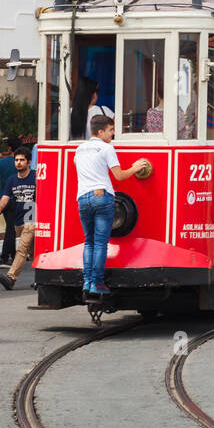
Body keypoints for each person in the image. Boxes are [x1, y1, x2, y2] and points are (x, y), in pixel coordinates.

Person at [74, 114, 150, 295]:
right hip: (101, 196)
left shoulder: (80, 149)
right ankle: (97, 283)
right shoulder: (106, 148)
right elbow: (120, 176)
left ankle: (87, 281)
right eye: (110, 130)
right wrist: (136, 167)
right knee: (100, 243)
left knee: (89, 242)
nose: (113, 133)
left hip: (83, 198)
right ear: (100, 131)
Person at [0, 148, 36, 290]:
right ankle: (43, 279)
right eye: (16, 160)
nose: (18, 163)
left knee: (21, 249)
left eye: (22, 160)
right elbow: (5, 198)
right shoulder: (12, 180)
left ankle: (11, 277)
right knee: (33, 252)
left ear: (28, 162)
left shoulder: (35, 177)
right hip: (18, 221)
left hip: (32, 219)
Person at [0, 137, 20, 266]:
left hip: (3, 198)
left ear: (9, 148)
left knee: (10, 228)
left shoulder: (1, 163)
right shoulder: (21, 163)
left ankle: (11, 255)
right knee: (11, 229)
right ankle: (6, 256)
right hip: (17, 199)